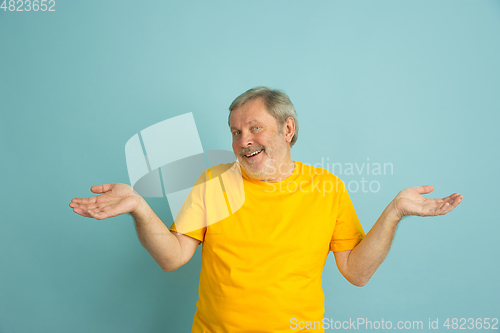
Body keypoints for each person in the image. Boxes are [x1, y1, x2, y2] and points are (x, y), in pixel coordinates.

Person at [69, 87, 463, 332]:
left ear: (287, 129)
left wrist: (394, 211)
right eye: (236, 131)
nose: (244, 140)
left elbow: (356, 272)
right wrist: (139, 207)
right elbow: (173, 257)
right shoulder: (213, 182)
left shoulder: (327, 188)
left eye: (255, 127)